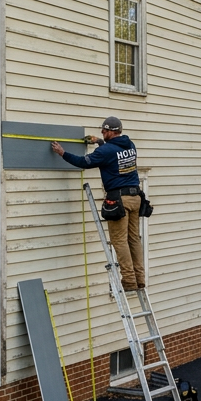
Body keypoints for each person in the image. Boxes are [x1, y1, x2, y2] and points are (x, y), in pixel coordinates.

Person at [51, 116, 144, 290]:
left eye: (103, 130)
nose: (102, 132)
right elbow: (112, 152)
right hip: (135, 197)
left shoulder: (105, 152)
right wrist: (100, 141)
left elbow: (83, 162)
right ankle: (140, 277)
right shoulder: (130, 145)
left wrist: (62, 153)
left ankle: (129, 280)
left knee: (119, 241)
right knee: (133, 239)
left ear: (110, 131)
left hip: (119, 199)